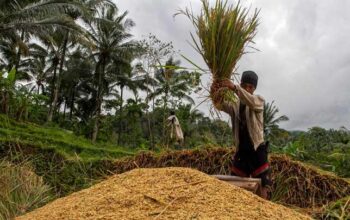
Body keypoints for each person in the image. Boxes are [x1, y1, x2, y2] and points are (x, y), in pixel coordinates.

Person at [210, 71, 271, 199]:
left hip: (257, 151)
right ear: (241, 85)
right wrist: (215, 92)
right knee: (234, 184)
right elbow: (220, 105)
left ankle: (265, 209)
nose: (248, 89)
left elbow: (251, 101)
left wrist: (234, 87)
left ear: (254, 89)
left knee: (263, 185)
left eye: (251, 87)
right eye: (245, 86)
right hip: (242, 152)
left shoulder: (258, 100)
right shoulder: (235, 105)